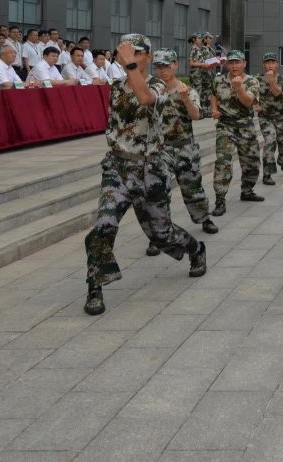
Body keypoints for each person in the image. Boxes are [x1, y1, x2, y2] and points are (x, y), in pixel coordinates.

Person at [82, 35, 206, 316]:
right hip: (117, 167)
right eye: (125, 52)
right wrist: (127, 69)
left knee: (161, 234)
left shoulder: (159, 85)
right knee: (103, 226)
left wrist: (129, 66)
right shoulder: (116, 87)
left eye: (136, 53)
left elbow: (145, 98)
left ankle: (195, 249)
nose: (129, 57)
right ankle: (95, 286)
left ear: (148, 57)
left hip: (150, 169)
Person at [145, 48, 218, 255]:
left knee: (192, 187)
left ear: (175, 65)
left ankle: (203, 218)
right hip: (159, 149)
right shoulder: (150, 92)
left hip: (185, 147)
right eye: (158, 66)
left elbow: (196, 115)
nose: (162, 70)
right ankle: (159, 234)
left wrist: (185, 99)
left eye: (166, 66)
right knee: (158, 191)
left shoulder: (187, 90)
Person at [209, 49, 263, 214]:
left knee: (252, 162)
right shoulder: (218, 80)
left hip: (245, 125)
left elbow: (248, 102)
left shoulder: (252, 81)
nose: (234, 66)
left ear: (244, 64)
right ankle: (220, 199)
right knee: (223, 162)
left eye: (237, 62)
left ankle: (247, 190)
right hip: (225, 125)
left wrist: (239, 88)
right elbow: (213, 94)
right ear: (226, 64)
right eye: (231, 63)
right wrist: (214, 108)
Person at [257, 52, 283, 187]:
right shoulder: (257, 80)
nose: (270, 65)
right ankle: (267, 173)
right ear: (263, 65)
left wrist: (270, 81)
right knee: (270, 141)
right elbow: (251, 93)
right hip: (266, 118)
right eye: (267, 62)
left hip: (281, 117)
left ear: (277, 64)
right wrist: (255, 104)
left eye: (273, 62)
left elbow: (277, 93)